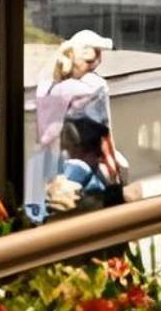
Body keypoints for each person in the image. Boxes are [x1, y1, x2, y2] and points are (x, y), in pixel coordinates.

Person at [29, 30, 113, 221]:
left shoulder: (50, 87)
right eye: (91, 61)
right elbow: (103, 132)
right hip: (75, 158)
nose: (95, 66)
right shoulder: (88, 88)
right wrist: (110, 160)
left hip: (58, 157)